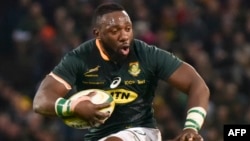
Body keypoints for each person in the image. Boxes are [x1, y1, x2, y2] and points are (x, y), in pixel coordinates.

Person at [33, 2, 210, 141]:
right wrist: (72, 106)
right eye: (114, 30)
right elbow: (41, 100)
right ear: (98, 34)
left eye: (128, 28)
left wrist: (191, 127)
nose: (124, 36)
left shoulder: (146, 54)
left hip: (141, 131)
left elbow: (198, 85)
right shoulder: (80, 58)